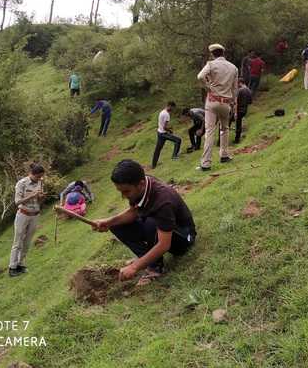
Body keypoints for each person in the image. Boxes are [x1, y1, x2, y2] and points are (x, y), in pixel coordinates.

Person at [92, 160, 196, 283]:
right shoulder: (143, 185)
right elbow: (134, 212)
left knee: (150, 222)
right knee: (116, 224)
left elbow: (164, 244)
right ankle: (147, 259)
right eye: (121, 192)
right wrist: (108, 222)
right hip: (162, 228)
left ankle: (155, 267)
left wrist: (134, 267)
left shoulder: (163, 201)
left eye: (126, 191)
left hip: (183, 238)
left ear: (140, 184)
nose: (123, 196)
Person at [197, 43, 238, 171]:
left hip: (212, 100)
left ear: (212, 54)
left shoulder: (211, 64)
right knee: (225, 129)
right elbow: (235, 89)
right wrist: (233, 104)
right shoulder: (233, 68)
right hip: (226, 103)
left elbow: (200, 77)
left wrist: (208, 86)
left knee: (210, 131)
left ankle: (206, 163)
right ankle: (224, 155)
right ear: (223, 53)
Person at [9, 163, 45, 277]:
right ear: (31, 174)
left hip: (35, 214)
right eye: (38, 177)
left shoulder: (40, 182)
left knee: (27, 241)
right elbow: (17, 201)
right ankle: (12, 267)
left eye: (41, 177)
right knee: (18, 241)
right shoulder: (21, 183)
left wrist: (40, 197)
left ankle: (21, 264)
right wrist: (32, 195)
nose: (39, 179)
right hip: (23, 215)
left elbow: (38, 200)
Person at [152, 101, 181, 169]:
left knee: (158, 149)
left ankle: (153, 165)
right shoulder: (167, 115)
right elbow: (164, 127)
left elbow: (162, 125)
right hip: (163, 133)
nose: (173, 109)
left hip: (159, 132)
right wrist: (170, 130)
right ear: (170, 106)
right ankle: (174, 156)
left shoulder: (162, 112)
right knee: (178, 140)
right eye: (173, 107)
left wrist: (168, 129)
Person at [231, 78, 252, 144]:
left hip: (238, 109)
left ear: (240, 82)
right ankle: (238, 137)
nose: (237, 85)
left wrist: (235, 112)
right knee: (239, 123)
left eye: (237, 83)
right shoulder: (249, 90)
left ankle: (237, 140)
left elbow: (236, 102)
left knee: (237, 124)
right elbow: (250, 102)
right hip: (245, 110)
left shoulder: (240, 90)